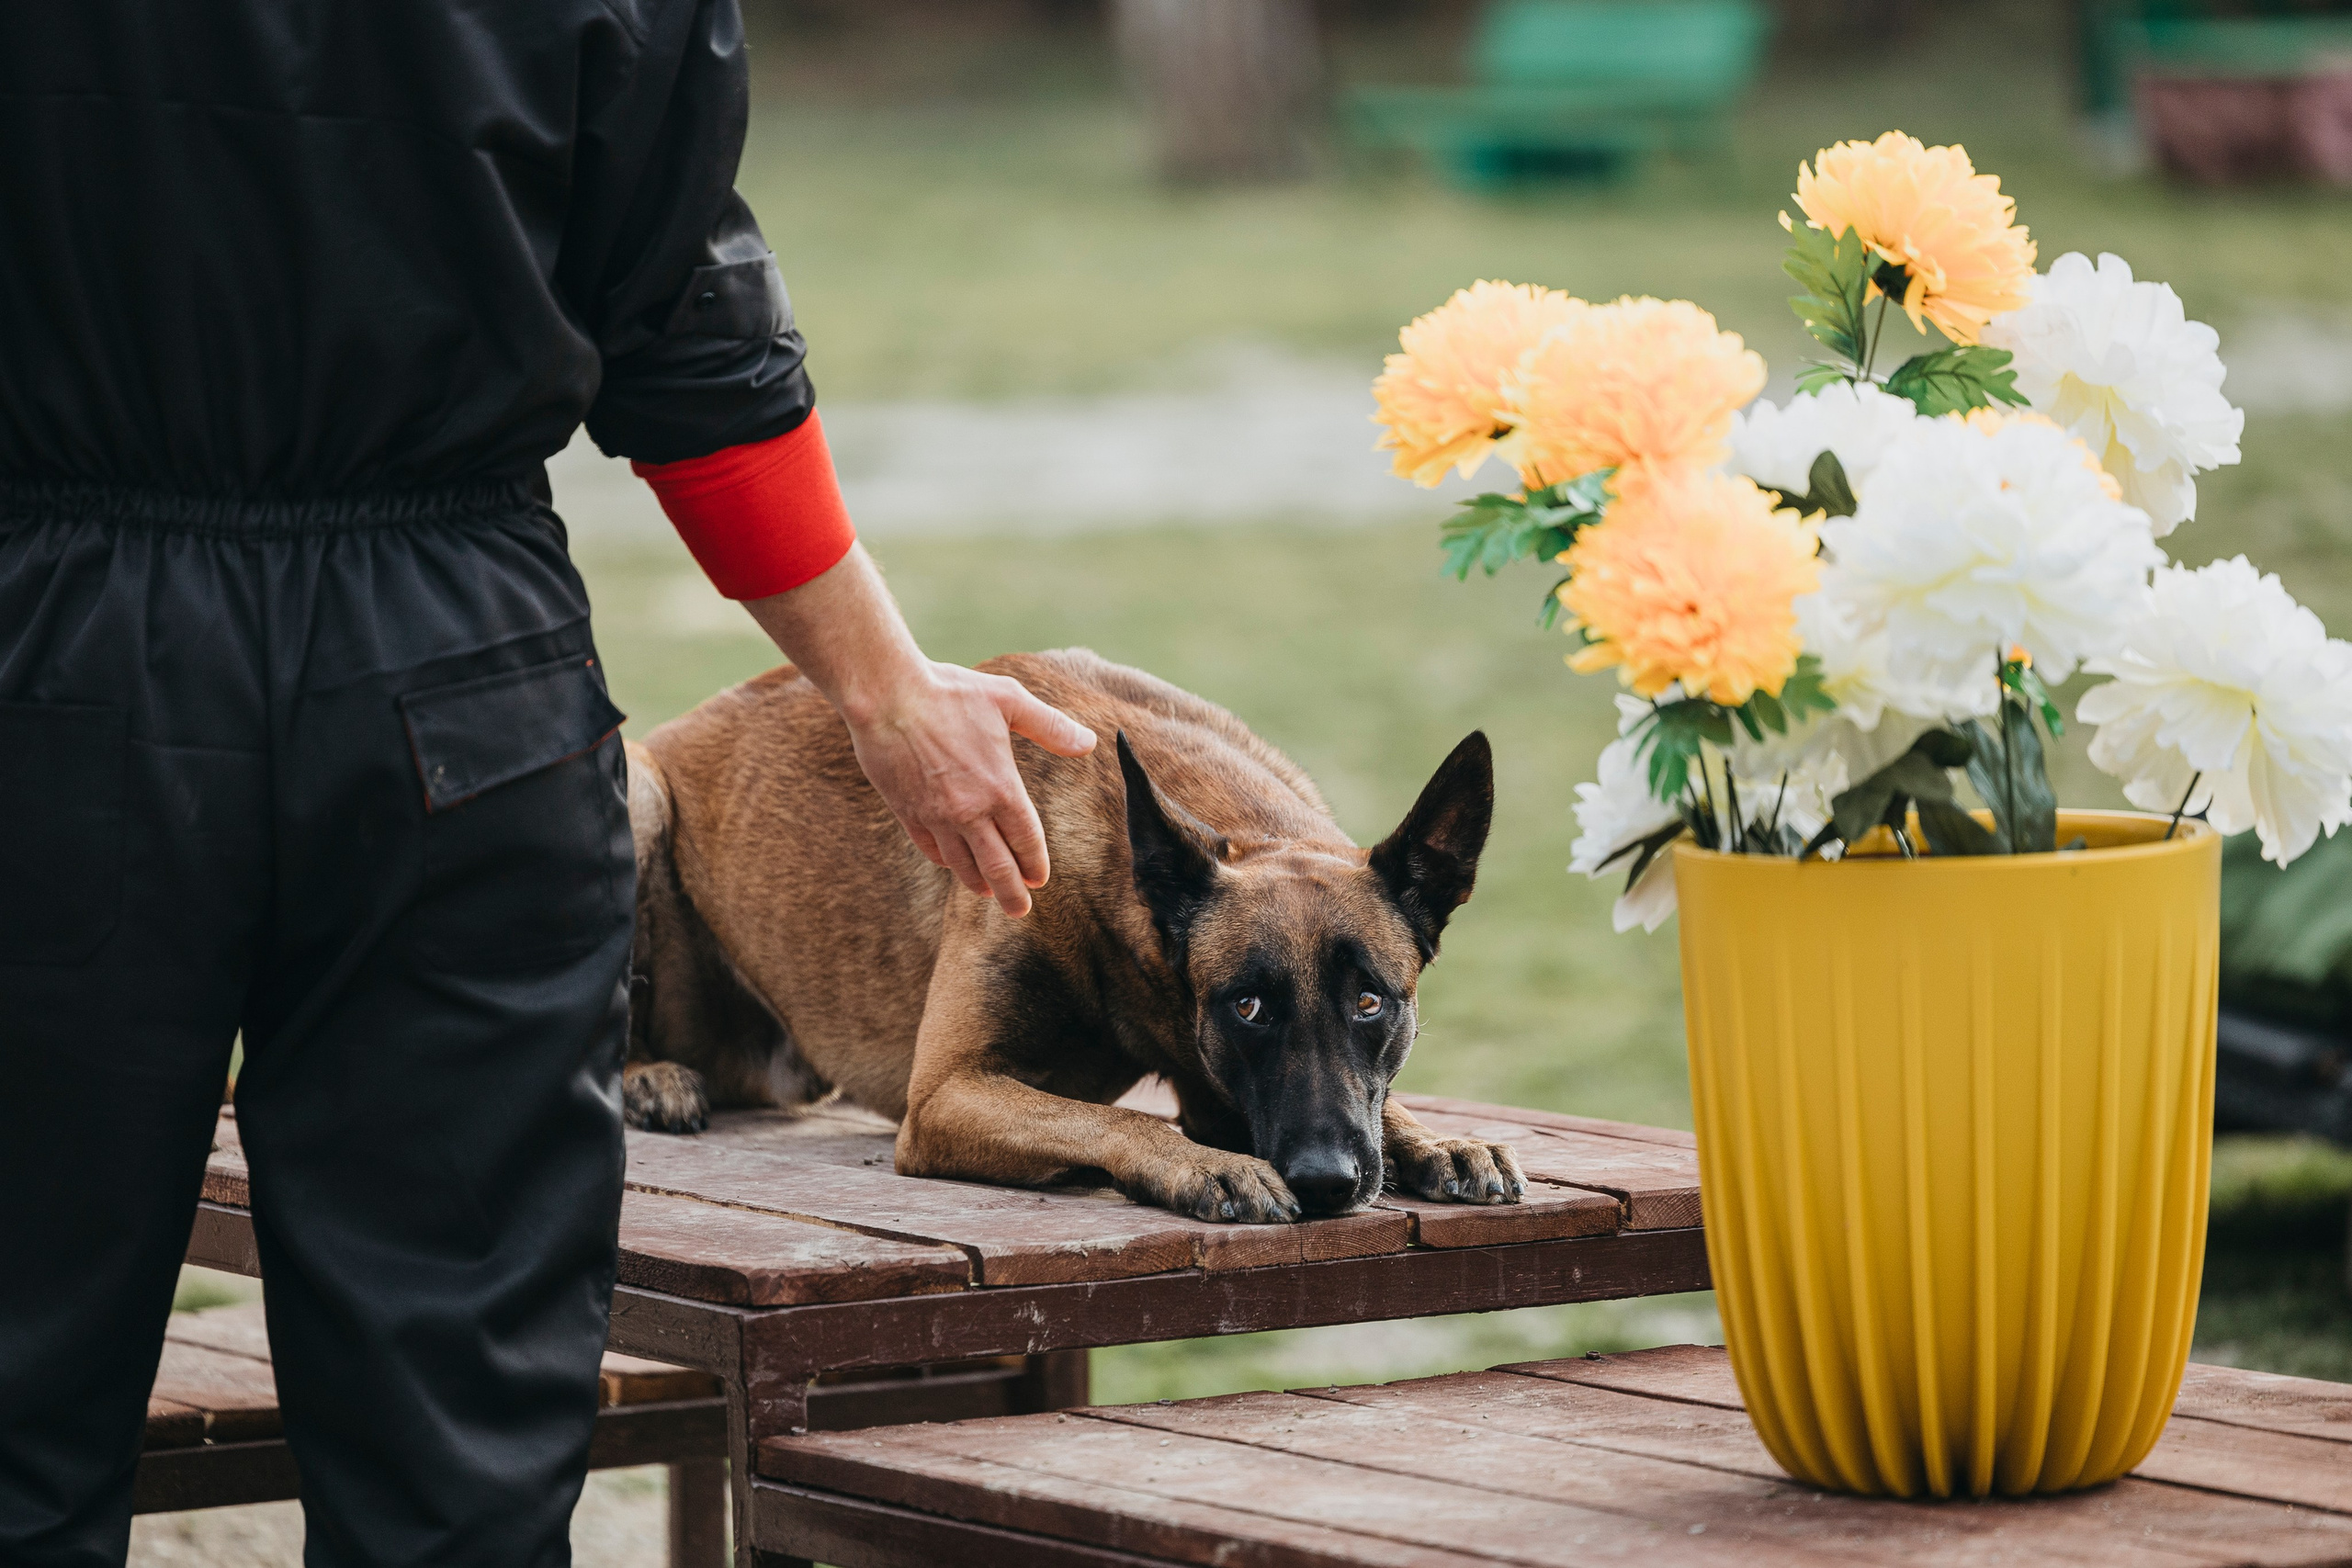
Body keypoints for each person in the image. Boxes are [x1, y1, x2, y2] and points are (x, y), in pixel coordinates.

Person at [0, 3, 1094, 1563]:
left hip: (50, 656)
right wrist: (881, 688)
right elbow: (689, 341)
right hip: (457, 688)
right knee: (459, 1439)